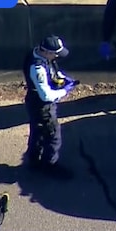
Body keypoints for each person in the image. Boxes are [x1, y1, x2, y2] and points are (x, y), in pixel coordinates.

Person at [23, 35, 77, 179]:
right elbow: (45, 95)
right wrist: (64, 91)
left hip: (34, 102)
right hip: (42, 107)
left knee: (37, 132)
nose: (57, 56)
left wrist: (63, 78)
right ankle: (50, 165)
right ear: (47, 52)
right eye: (56, 53)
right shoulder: (37, 67)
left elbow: (52, 70)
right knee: (53, 135)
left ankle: (33, 161)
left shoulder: (37, 53)